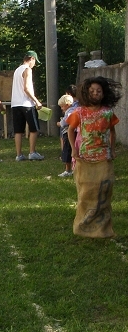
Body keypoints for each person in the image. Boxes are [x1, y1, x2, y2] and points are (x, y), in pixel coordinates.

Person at [67, 76, 121, 238]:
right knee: (86, 193)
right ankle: (83, 226)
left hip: (104, 157)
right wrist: (73, 150)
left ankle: (103, 228)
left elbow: (112, 131)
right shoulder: (79, 112)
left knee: (104, 191)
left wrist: (112, 149)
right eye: (92, 91)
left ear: (104, 94)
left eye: (99, 91)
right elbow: (70, 130)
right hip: (84, 158)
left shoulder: (107, 113)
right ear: (86, 93)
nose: (95, 94)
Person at [11, 50, 44, 161]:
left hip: (15, 104)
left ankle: (19, 155)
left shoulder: (17, 70)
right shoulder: (27, 70)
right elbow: (26, 88)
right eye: (35, 61)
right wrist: (36, 101)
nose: (34, 64)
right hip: (26, 104)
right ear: (32, 59)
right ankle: (32, 152)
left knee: (18, 131)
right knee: (34, 128)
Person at [56, 93, 78, 177]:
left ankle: (68, 170)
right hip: (76, 133)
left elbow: (67, 121)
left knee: (67, 151)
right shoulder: (76, 108)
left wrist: (60, 123)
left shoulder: (70, 111)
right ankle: (74, 168)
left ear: (67, 105)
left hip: (69, 133)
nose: (61, 109)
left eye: (62, 106)